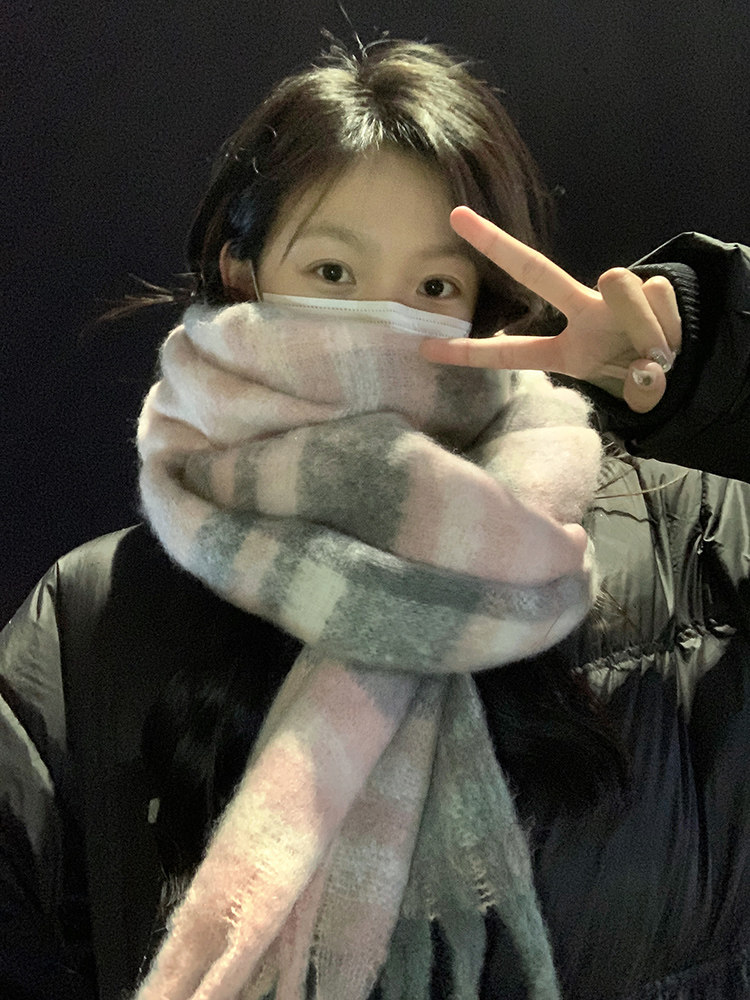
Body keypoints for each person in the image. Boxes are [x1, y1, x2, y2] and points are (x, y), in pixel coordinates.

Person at [1, 37, 749, 1000]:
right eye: (333, 271)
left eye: (434, 287)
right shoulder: (92, 619)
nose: (377, 324)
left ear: (481, 308)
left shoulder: (690, 543)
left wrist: (712, 357)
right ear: (244, 273)